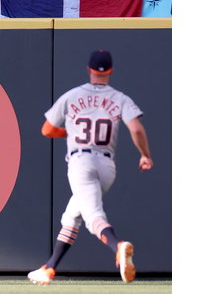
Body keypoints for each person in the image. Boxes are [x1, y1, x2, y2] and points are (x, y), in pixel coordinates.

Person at [27, 50, 153, 285]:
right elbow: (136, 129)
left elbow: (46, 130)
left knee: (93, 216)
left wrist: (68, 133)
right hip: (107, 165)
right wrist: (145, 155)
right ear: (111, 72)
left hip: (81, 162)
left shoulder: (72, 95)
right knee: (71, 216)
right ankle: (49, 268)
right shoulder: (120, 98)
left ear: (89, 70)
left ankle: (118, 246)